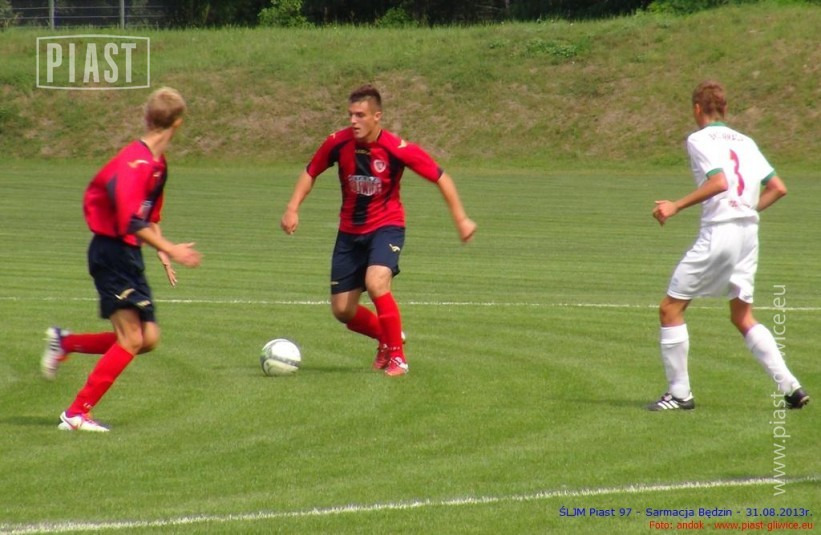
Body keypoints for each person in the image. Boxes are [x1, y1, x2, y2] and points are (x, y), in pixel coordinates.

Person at [280, 84, 476, 376]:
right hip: (349, 232)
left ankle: (398, 358)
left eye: (360, 115)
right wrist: (292, 207)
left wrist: (461, 219)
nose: (353, 121)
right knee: (342, 310)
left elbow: (441, 177)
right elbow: (311, 171)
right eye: (350, 114)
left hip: (387, 227)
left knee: (376, 282)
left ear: (377, 116)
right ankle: (386, 337)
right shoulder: (337, 143)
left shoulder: (396, 149)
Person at [41, 87, 202, 432]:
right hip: (111, 252)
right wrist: (172, 248)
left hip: (129, 254)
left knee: (148, 339)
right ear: (178, 122)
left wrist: (162, 251)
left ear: (147, 117)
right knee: (131, 338)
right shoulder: (135, 162)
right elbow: (129, 219)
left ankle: (65, 342)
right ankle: (76, 414)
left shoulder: (158, 165)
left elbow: (148, 215)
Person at [648, 80, 809, 411]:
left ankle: (680, 394)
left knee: (670, 308)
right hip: (748, 234)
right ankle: (792, 388)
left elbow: (719, 181)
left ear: (697, 109)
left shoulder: (698, 139)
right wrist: (747, 209)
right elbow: (778, 188)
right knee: (742, 315)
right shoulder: (746, 141)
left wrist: (676, 205)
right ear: (725, 108)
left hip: (720, 232)